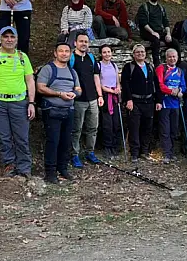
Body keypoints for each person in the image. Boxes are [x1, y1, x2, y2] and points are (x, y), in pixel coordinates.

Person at [0, 26, 35, 178]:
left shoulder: (23, 57)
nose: (9, 39)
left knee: (22, 137)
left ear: (17, 40)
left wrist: (31, 102)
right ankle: (9, 164)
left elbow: (30, 80)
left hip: (19, 102)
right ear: (0, 39)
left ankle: (24, 167)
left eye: (12, 37)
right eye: (6, 37)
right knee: (2, 135)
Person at [36, 43, 81, 184]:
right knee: (53, 141)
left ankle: (63, 168)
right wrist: (59, 94)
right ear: (55, 53)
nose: (64, 54)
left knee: (66, 141)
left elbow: (79, 89)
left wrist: (73, 94)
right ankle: (50, 172)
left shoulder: (72, 72)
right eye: (61, 51)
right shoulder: (48, 69)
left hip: (69, 111)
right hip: (52, 110)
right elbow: (40, 88)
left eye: (67, 51)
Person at [68, 33, 103, 168]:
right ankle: (74, 154)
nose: (84, 44)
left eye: (86, 42)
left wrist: (100, 95)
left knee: (93, 127)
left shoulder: (91, 58)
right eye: (81, 41)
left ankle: (90, 152)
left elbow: (96, 77)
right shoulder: (71, 58)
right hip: (78, 100)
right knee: (76, 129)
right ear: (75, 43)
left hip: (93, 99)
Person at [121, 44, 160, 162]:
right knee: (134, 127)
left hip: (149, 101)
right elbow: (125, 84)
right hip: (135, 102)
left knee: (147, 127)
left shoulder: (150, 67)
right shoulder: (129, 67)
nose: (140, 54)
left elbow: (156, 85)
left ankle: (145, 151)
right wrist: (128, 100)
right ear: (133, 54)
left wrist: (158, 100)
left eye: (142, 52)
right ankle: (134, 153)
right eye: (137, 52)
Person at [156, 48, 187, 164]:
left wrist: (179, 90)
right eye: (170, 57)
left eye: (174, 56)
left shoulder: (179, 71)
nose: (172, 59)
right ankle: (166, 154)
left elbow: (183, 86)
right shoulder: (161, 68)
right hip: (164, 103)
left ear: (177, 58)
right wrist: (171, 91)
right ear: (166, 57)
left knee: (174, 129)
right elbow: (160, 85)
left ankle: (172, 151)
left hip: (176, 105)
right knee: (165, 130)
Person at [136, 0, 177, 66]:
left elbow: (165, 22)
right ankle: (157, 65)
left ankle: (177, 64)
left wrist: (168, 34)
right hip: (147, 32)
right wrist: (153, 32)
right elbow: (143, 23)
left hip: (160, 32)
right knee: (156, 42)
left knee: (175, 42)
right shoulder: (144, 7)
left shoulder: (161, 8)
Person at [99, 44, 124, 159]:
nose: (107, 54)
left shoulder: (114, 65)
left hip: (114, 96)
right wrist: (110, 91)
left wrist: (118, 89)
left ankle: (115, 146)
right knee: (107, 123)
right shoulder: (99, 66)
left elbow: (117, 80)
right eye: (104, 52)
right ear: (101, 54)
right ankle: (107, 147)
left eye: (108, 52)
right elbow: (99, 83)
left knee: (116, 122)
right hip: (105, 96)